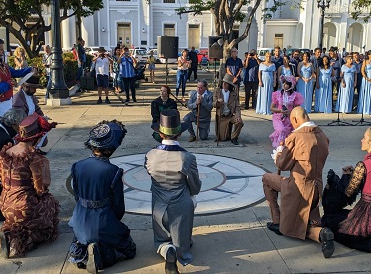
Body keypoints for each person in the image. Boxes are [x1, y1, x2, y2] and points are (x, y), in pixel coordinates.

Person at [263, 107, 334, 258]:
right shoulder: (322, 135)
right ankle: (321, 233)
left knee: (267, 179)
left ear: (295, 120)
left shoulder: (296, 137)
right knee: (307, 223)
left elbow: (282, 165)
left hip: (298, 188)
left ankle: (277, 221)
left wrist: (280, 152)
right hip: (316, 188)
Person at [68, 120, 136, 273]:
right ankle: (102, 255)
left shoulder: (77, 165)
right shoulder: (113, 171)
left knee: (79, 240)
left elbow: (77, 197)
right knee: (129, 248)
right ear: (110, 149)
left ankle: (84, 253)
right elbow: (119, 207)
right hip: (103, 221)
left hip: (80, 219)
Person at [321, 127, 371, 257]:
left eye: (364, 137)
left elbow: (349, 193)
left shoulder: (364, 164)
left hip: (370, 216)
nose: (361, 140)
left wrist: (346, 175)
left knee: (332, 223)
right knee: (345, 217)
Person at [145, 110, 202, 274]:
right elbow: (195, 186)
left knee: (161, 240)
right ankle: (179, 249)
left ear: (160, 133)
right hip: (181, 208)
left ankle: (167, 251)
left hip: (159, 207)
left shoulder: (150, 155)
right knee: (183, 241)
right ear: (179, 134)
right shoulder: (187, 157)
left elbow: (151, 175)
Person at [0, 113, 60, 258]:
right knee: (49, 203)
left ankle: (10, 233)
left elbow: (2, 178)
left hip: (4, 204)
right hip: (24, 206)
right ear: (38, 137)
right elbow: (41, 188)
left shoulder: (5, 152)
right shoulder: (34, 158)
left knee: (16, 219)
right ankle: (23, 240)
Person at [269, 75, 303, 147]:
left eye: (286, 83)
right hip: (278, 117)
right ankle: (279, 146)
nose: (284, 85)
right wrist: (280, 110)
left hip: (289, 118)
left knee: (289, 132)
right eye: (283, 83)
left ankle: (286, 145)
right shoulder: (278, 94)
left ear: (291, 85)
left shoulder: (295, 96)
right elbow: (271, 108)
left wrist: (291, 112)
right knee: (281, 130)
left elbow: (298, 109)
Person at [213, 74, 244, 145]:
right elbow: (214, 104)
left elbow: (237, 106)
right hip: (222, 116)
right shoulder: (217, 91)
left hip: (230, 115)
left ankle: (234, 138)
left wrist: (238, 116)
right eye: (223, 82)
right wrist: (218, 101)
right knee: (223, 138)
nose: (224, 84)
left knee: (239, 122)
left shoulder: (234, 93)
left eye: (226, 83)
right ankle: (225, 135)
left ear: (229, 85)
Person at [357, 50, 371, 115]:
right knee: (366, 93)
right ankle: (364, 109)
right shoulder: (365, 61)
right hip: (367, 79)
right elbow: (362, 71)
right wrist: (367, 78)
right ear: (369, 55)